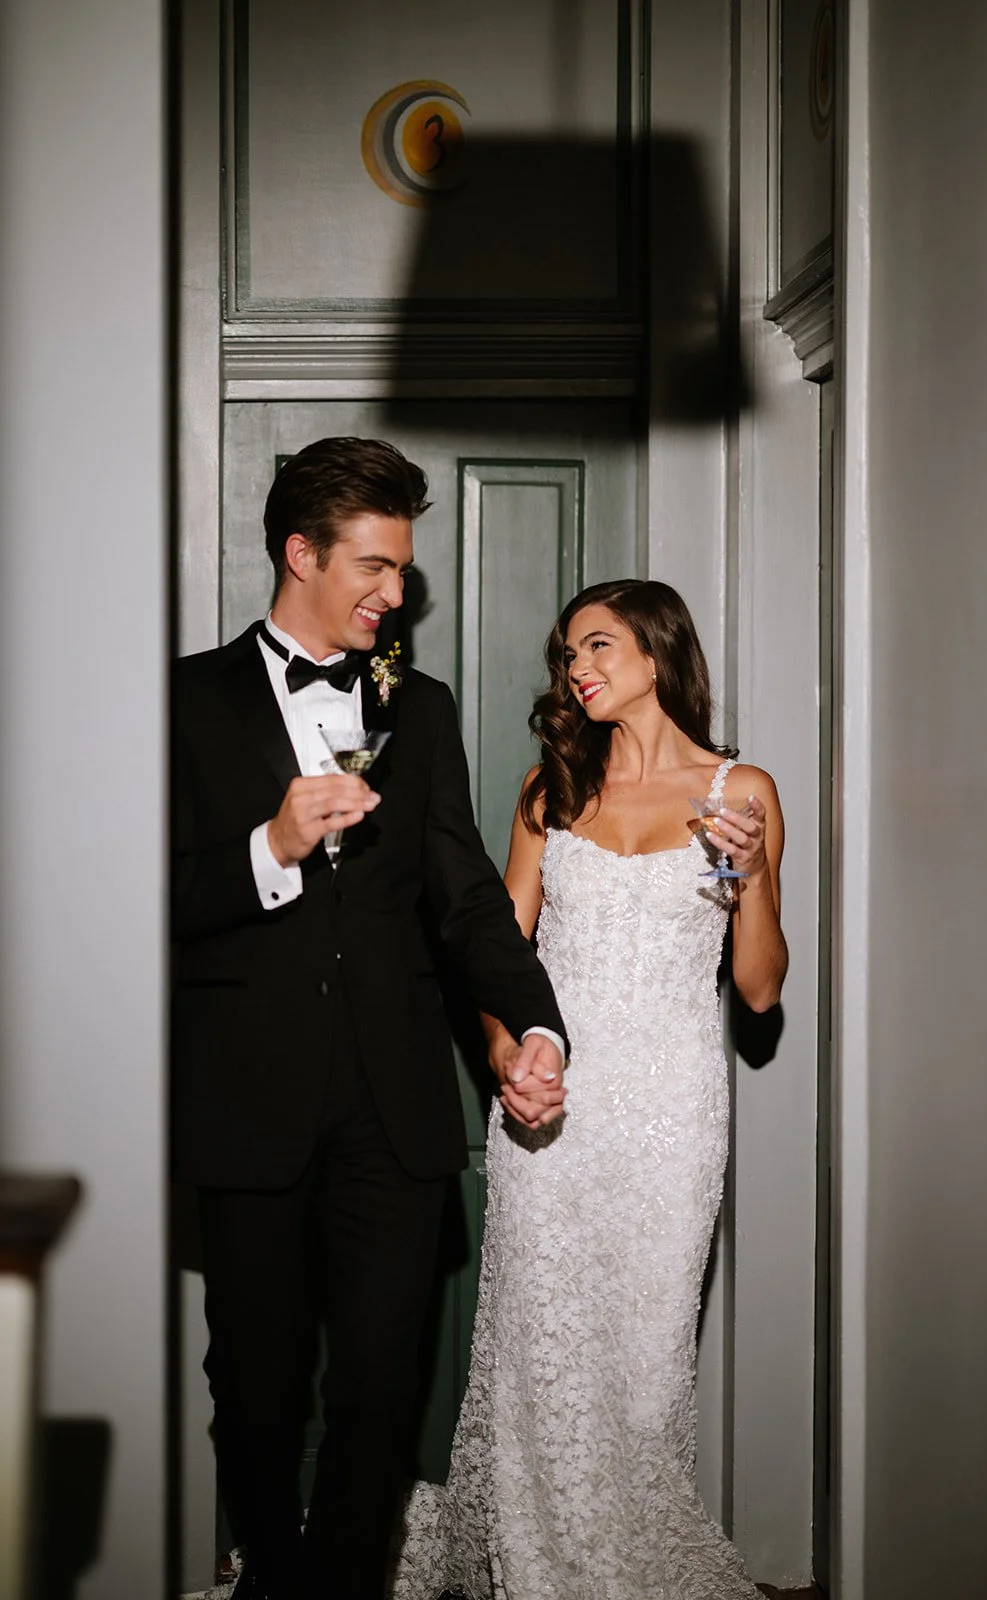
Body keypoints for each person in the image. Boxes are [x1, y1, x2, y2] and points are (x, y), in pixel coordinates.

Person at [171, 437, 568, 1600]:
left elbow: (466, 897)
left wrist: (535, 1024)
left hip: (395, 1112)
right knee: (253, 1379)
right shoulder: (184, 702)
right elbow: (144, 899)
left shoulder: (419, 706)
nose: (397, 593)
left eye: (404, 570)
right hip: (248, 1107)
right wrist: (273, 847)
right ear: (301, 555)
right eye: (377, 566)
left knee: (385, 1384)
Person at [394, 578, 787, 1600]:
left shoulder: (740, 793)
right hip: (552, 1111)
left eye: (600, 646)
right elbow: (495, 956)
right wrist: (505, 1060)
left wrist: (749, 880)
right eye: (569, 653)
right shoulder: (549, 791)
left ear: (658, 654)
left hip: (672, 1113)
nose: (579, 669)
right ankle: (530, 1566)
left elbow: (759, 984)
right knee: (543, 1353)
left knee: (647, 1366)